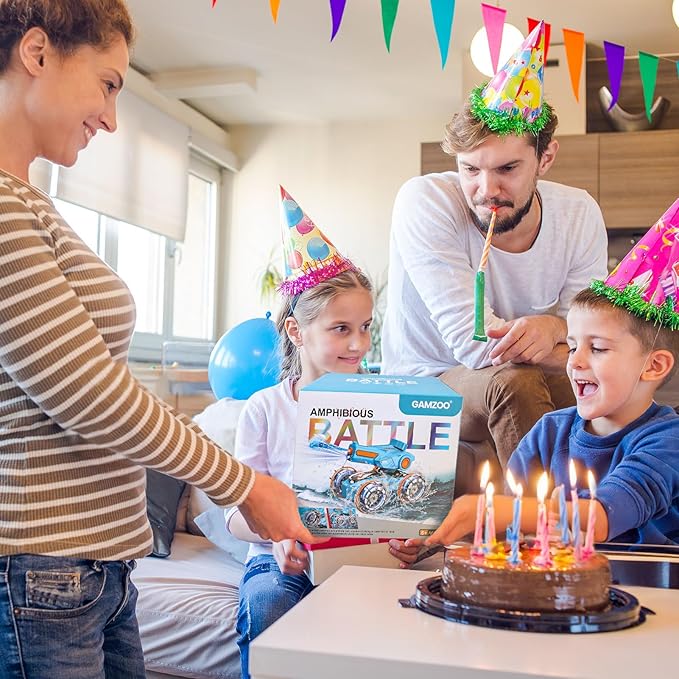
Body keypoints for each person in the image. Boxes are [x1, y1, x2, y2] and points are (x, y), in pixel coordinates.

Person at [0, 3, 316, 678]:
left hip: (93, 567)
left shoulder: (29, 205)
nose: (112, 118)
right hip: (42, 567)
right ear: (37, 53)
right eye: (108, 84)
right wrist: (242, 485)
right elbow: (86, 393)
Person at [381, 21, 608, 472]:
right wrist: (561, 334)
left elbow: (593, 337)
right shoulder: (425, 201)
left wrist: (553, 327)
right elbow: (477, 346)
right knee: (515, 382)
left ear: (545, 158)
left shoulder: (578, 213)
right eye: (470, 169)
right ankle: (543, 516)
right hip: (427, 381)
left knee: (608, 387)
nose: (486, 190)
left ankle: (607, 509)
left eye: (507, 168)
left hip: (523, 371)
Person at [226, 188, 421, 679]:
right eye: (341, 329)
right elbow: (236, 515)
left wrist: (407, 539)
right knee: (268, 603)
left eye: (366, 326)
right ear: (296, 332)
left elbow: (403, 500)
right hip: (281, 560)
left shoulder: (386, 401)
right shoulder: (266, 408)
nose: (359, 344)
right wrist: (278, 537)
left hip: (363, 557)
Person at [426, 198, 679, 547]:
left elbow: (602, 517)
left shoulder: (667, 441)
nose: (574, 362)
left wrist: (492, 510)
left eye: (598, 348)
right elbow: (511, 531)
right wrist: (436, 538)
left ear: (654, 366)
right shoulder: (548, 432)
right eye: (572, 347)